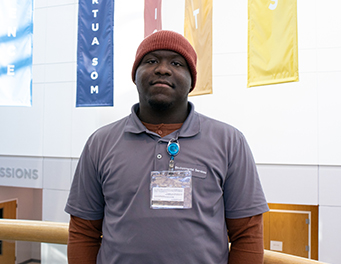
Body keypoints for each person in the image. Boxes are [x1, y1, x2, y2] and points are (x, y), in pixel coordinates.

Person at [65, 30, 269, 264]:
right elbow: (83, 231)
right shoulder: (100, 143)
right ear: (135, 75)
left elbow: (248, 234)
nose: (163, 69)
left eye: (176, 63)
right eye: (151, 61)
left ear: (192, 80)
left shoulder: (230, 141)